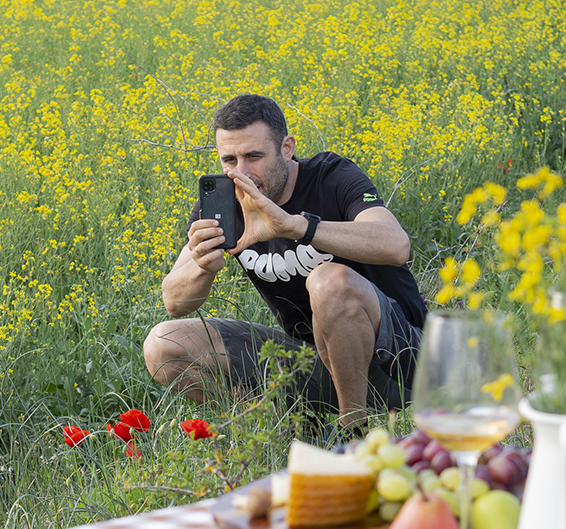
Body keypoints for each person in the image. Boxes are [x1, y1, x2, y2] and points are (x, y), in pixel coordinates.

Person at [143, 93, 427, 431]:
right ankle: (283, 427)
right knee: (163, 345)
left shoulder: (330, 176)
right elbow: (174, 302)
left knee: (329, 282)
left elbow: (396, 245)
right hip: (317, 362)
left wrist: (297, 227)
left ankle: (354, 432)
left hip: (406, 362)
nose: (241, 172)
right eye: (229, 159)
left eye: (254, 156)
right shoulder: (225, 204)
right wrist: (202, 267)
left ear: (287, 147)